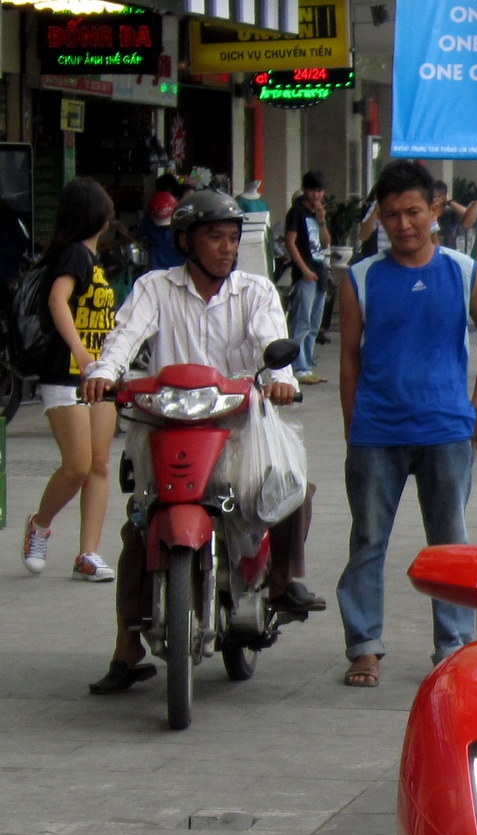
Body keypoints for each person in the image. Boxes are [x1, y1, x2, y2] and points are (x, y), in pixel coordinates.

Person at [81, 189, 322, 695]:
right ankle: (127, 645)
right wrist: (105, 373)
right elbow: (124, 336)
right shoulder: (154, 288)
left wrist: (281, 379)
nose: (227, 248)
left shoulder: (255, 291)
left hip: (239, 426)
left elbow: (271, 339)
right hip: (166, 426)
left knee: (291, 486)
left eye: (233, 238)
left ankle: (281, 581)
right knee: (139, 524)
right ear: (187, 241)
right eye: (215, 237)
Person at [336, 160, 477, 689]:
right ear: (380, 218)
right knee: (368, 541)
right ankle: (364, 646)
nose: (403, 225)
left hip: (446, 429)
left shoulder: (466, 273)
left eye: (413, 212)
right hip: (376, 432)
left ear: (434, 210)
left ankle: (452, 647)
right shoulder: (360, 279)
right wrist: (352, 428)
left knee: (450, 545)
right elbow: (348, 359)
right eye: (391, 215)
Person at [19, 178, 121, 583]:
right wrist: (80, 352)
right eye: (106, 204)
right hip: (67, 375)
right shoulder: (75, 255)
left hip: (100, 378)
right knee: (77, 465)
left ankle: (88, 554)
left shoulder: (94, 260)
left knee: (98, 465)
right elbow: (56, 300)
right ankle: (39, 525)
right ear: (95, 213)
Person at [282, 171, 329, 383]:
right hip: (306, 273)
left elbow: (325, 243)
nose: (315, 195)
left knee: (314, 323)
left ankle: (307, 366)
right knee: (301, 321)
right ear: (304, 189)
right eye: (312, 190)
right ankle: (298, 368)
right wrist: (303, 270)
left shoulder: (318, 213)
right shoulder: (297, 212)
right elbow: (290, 242)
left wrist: (321, 220)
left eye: (319, 191)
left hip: (320, 270)